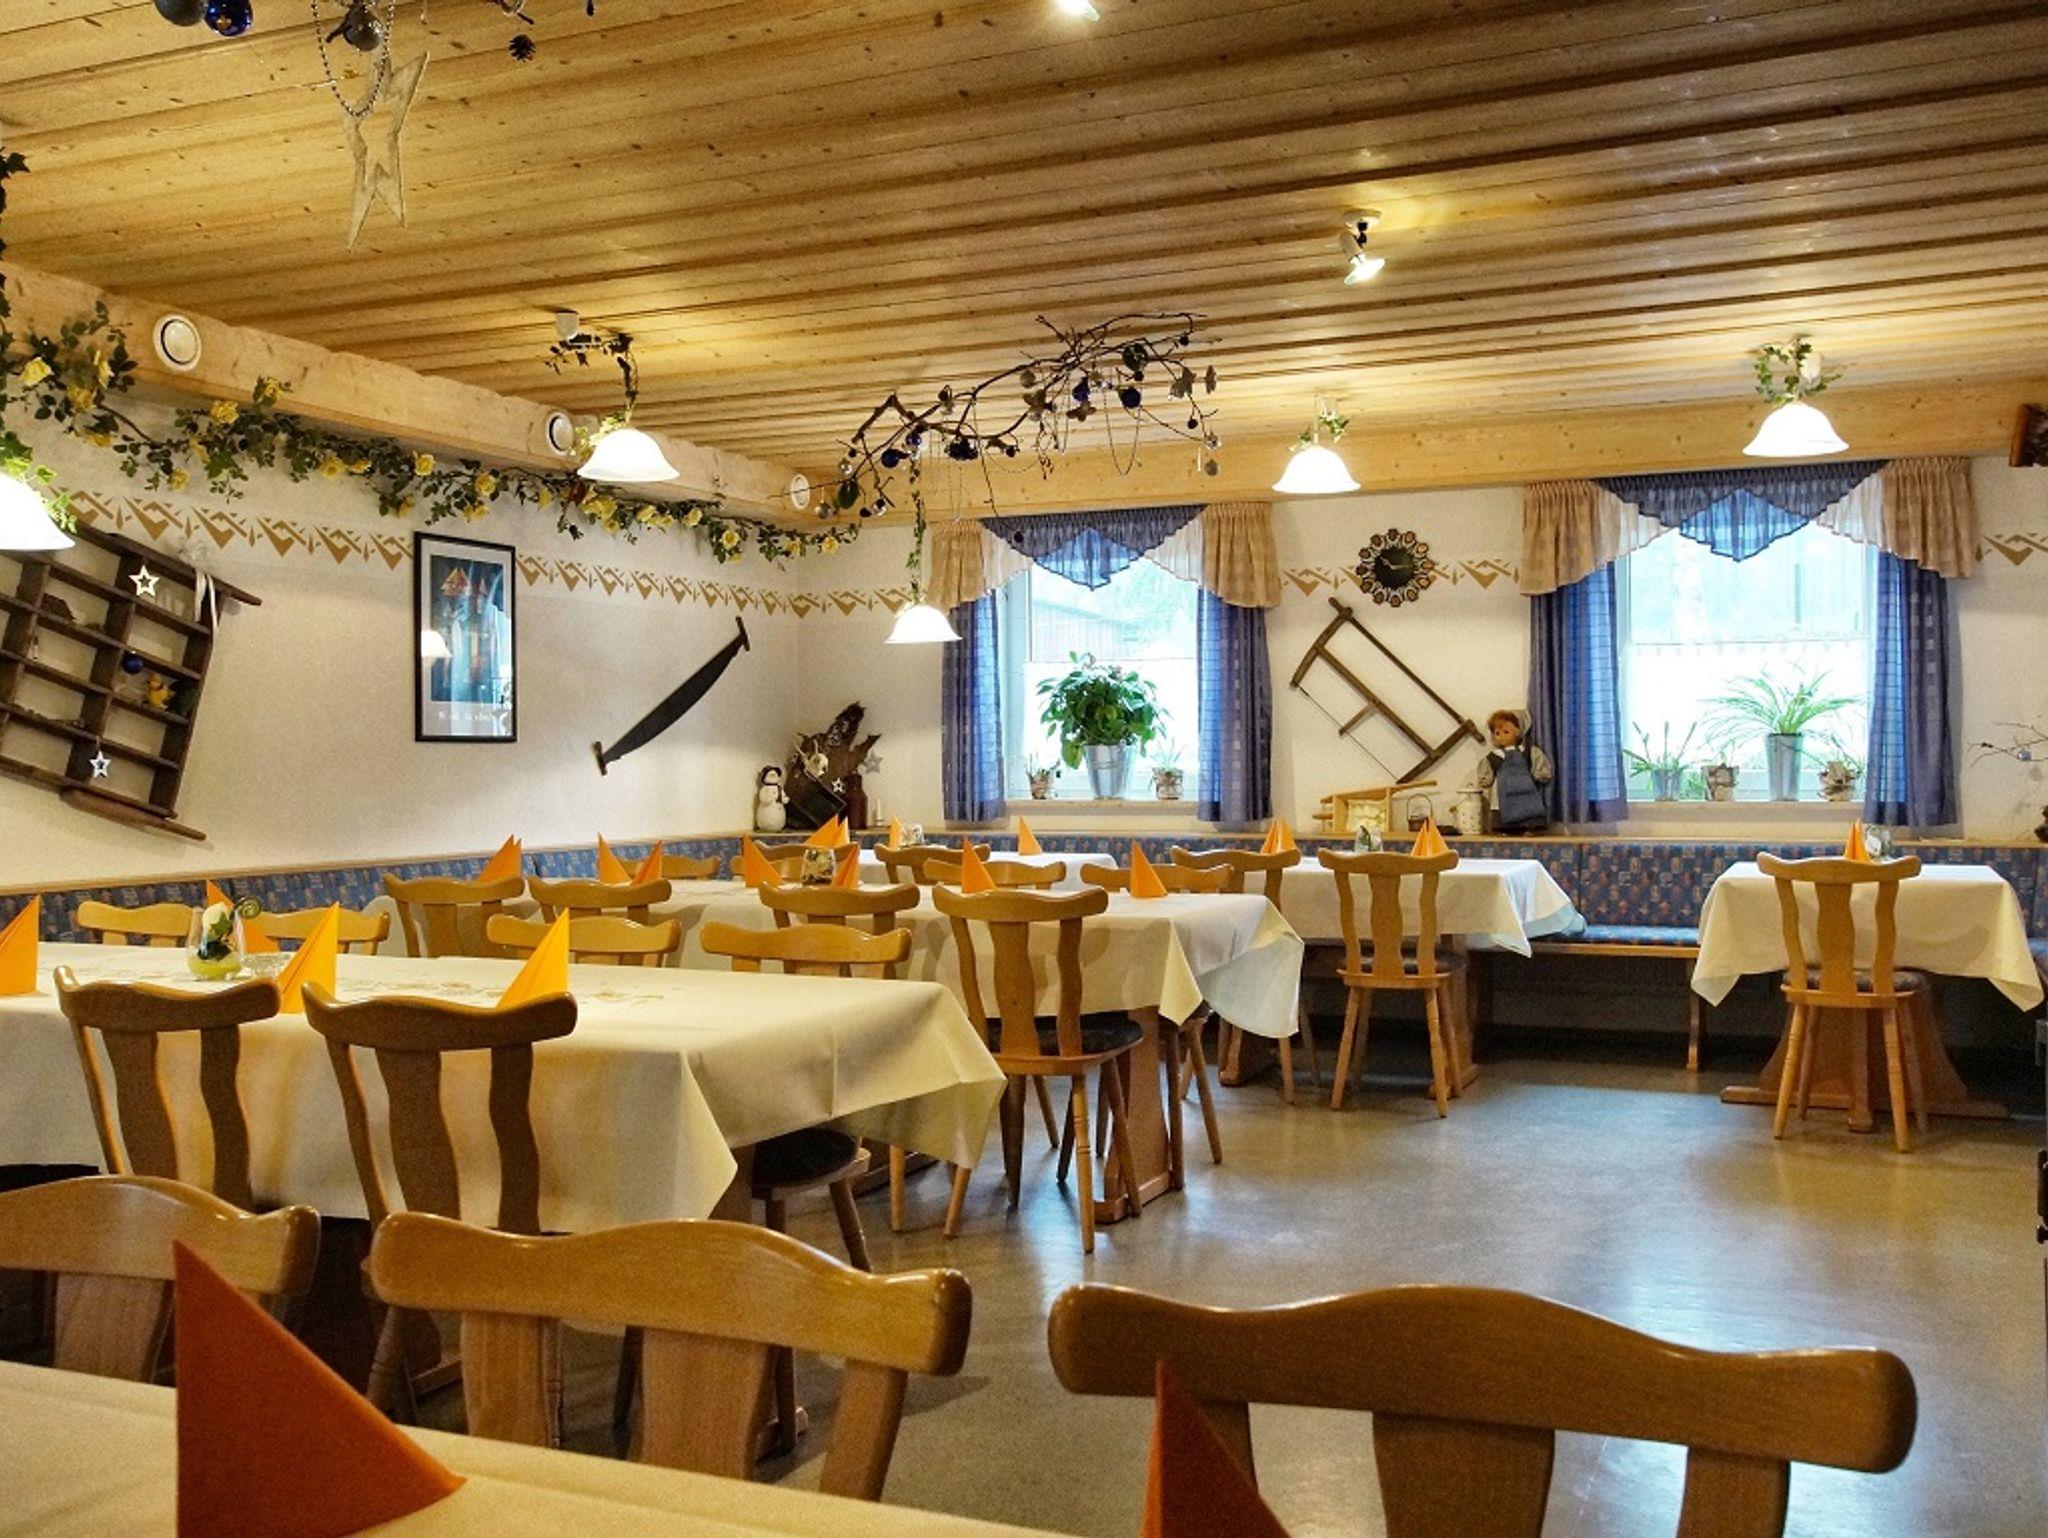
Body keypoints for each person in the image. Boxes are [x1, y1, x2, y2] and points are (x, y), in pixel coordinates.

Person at [1475, 708, 1552, 833]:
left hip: (1526, 790)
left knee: (1529, 807)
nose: (1502, 736)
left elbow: (1538, 763)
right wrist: (1485, 780)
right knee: (1501, 807)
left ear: (1517, 731)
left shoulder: (1528, 752)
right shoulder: (1495, 756)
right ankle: (1504, 828)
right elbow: (1486, 773)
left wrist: (1541, 774)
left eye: (1506, 732)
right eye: (1497, 733)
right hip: (1503, 791)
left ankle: (1530, 827)